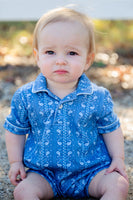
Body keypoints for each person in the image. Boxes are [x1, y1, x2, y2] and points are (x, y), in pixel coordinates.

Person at [4, 7, 129, 200]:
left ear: (88, 60)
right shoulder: (26, 96)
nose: (60, 61)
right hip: (43, 174)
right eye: (50, 52)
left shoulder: (98, 96)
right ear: (37, 56)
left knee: (118, 185)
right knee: (23, 191)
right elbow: (16, 130)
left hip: (92, 171)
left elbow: (111, 129)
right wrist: (15, 162)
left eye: (71, 53)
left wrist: (118, 159)